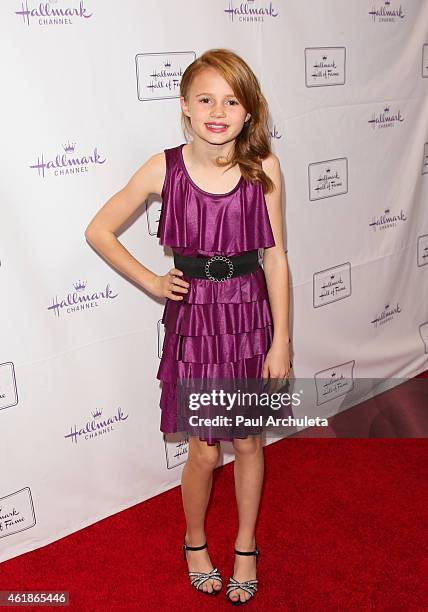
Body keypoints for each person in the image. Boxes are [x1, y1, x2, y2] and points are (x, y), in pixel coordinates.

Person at [84, 48, 291, 605]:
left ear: (248, 113)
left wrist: (282, 340)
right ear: (185, 106)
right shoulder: (163, 169)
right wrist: (153, 281)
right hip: (196, 319)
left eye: (231, 101)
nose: (218, 111)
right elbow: (99, 230)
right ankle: (195, 540)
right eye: (206, 99)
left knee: (248, 441)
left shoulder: (263, 168)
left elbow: (276, 260)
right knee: (204, 450)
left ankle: (246, 545)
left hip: (249, 317)